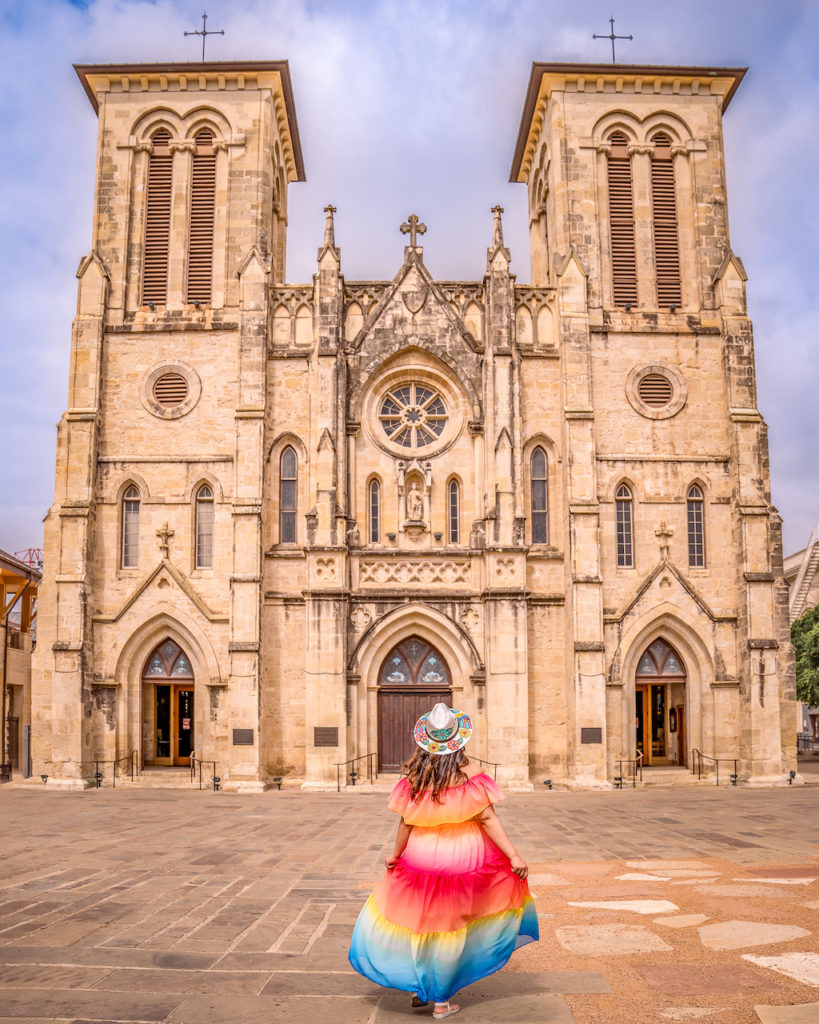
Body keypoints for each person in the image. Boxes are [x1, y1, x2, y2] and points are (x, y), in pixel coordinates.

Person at [348, 703, 538, 1019]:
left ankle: (417, 986)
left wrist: (395, 855)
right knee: (454, 928)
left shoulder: (414, 776)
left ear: (426, 742)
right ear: (457, 740)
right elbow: (487, 818)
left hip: (419, 859)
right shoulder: (470, 774)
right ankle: (441, 1001)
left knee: (420, 922)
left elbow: (405, 823)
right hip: (465, 860)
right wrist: (513, 855)